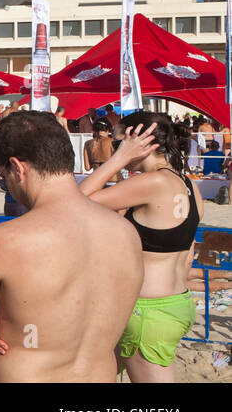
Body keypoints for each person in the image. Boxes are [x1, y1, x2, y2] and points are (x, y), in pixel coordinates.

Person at [0, 111, 143, 382]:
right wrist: (5, 313)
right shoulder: (127, 233)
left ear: (18, 167)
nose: (7, 184)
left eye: (3, 177)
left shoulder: (5, 240)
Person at [79, 113, 201, 382]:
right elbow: (189, 254)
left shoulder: (151, 183)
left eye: (119, 140)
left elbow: (75, 201)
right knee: (91, 373)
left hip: (148, 311)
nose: (114, 146)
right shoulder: (188, 184)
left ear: (139, 141)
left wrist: (119, 160)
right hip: (175, 302)